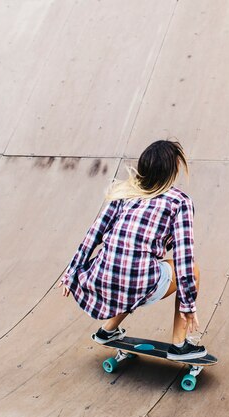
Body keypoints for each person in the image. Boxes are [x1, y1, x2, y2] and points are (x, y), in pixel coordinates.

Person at [58, 140, 206, 360]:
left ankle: (107, 330)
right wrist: (188, 305)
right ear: (174, 168)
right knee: (190, 270)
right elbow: (183, 256)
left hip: (102, 278)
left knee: (130, 264)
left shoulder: (125, 192)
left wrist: (71, 273)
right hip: (136, 282)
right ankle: (179, 345)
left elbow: (93, 234)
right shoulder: (179, 202)